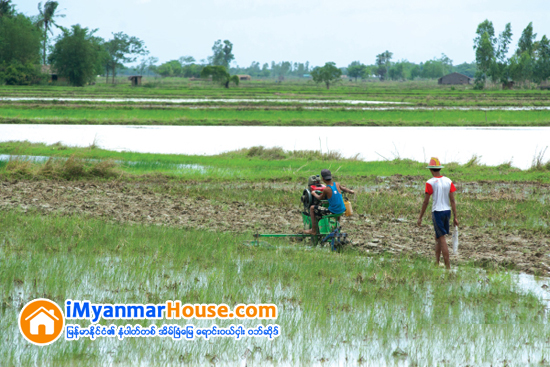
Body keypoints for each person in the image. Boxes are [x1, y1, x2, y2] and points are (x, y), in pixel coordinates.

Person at [417, 157, 458, 269]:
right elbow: (452, 200)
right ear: (439, 168)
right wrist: (455, 217)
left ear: (431, 170)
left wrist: (420, 217)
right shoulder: (448, 181)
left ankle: (448, 267)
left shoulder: (430, 182)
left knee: (442, 238)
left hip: (437, 212)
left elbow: (426, 202)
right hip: (447, 211)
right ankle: (436, 262)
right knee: (438, 236)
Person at [304, 169, 355, 235]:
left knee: (312, 208)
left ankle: (313, 230)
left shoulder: (326, 189)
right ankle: (337, 227)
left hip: (332, 211)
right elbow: (343, 188)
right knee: (337, 206)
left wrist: (314, 194)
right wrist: (350, 191)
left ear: (323, 179)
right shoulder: (337, 184)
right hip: (342, 210)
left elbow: (320, 198)